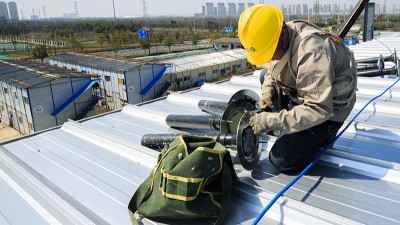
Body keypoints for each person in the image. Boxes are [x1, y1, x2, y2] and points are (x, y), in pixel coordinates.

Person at [238, 5, 357, 174]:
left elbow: (318, 109)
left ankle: (325, 136)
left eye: (270, 52)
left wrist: (270, 121)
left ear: (283, 36)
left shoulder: (311, 54)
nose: (269, 58)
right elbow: (272, 69)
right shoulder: (280, 33)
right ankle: (291, 117)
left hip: (328, 110)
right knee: (264, 75)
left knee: (281, 160)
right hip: (311, 91)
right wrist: (267, 91)